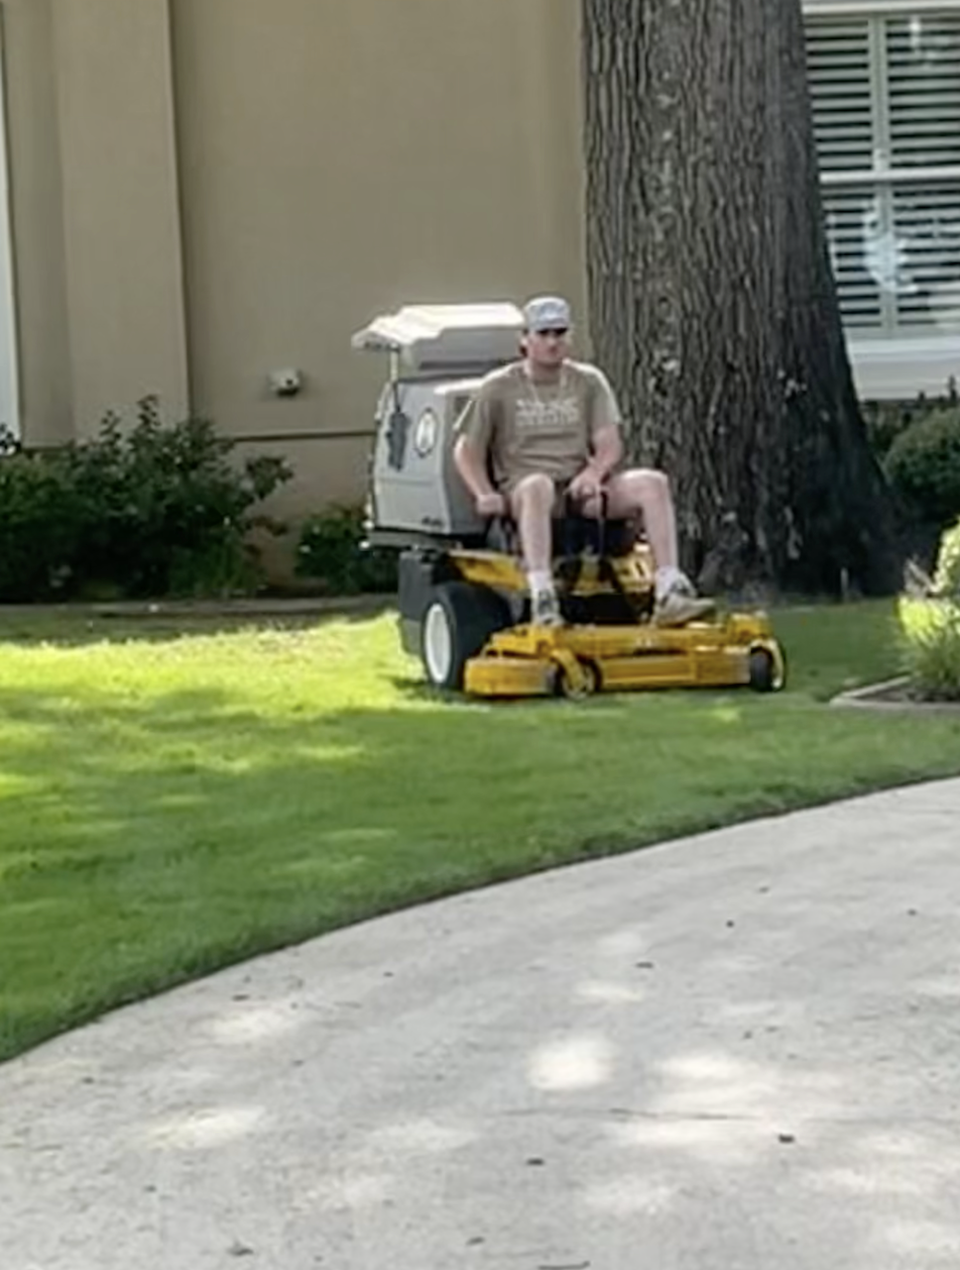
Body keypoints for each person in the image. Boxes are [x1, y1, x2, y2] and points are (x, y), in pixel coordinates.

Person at [452, 294, 715, 627]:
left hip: (579, 489)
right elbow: (466, 450)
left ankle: (669, 589)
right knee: (538, 485)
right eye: (543, 333)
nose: (552, 342)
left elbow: (609, 444)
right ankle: (543, 596)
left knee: (653, 483)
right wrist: (482, 492)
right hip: (525, 491)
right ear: (525, 339)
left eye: (559, 333)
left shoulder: (588, 381)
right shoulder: (498, 388)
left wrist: (593, 473)